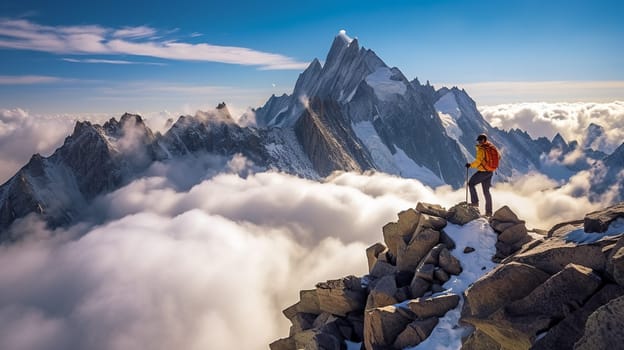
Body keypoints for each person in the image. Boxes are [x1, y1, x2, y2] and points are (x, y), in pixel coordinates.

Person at [465, 134, 496, 216]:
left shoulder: (482, 149)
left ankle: (475, 202)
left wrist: (470, 165)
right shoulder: (490, 147)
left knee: (471, 183)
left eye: (480, 140)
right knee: (486, 192)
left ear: (483, 140)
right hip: (490, 171)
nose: (478, 142)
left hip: (483, 171)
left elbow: (478, 161)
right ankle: (489, 212)